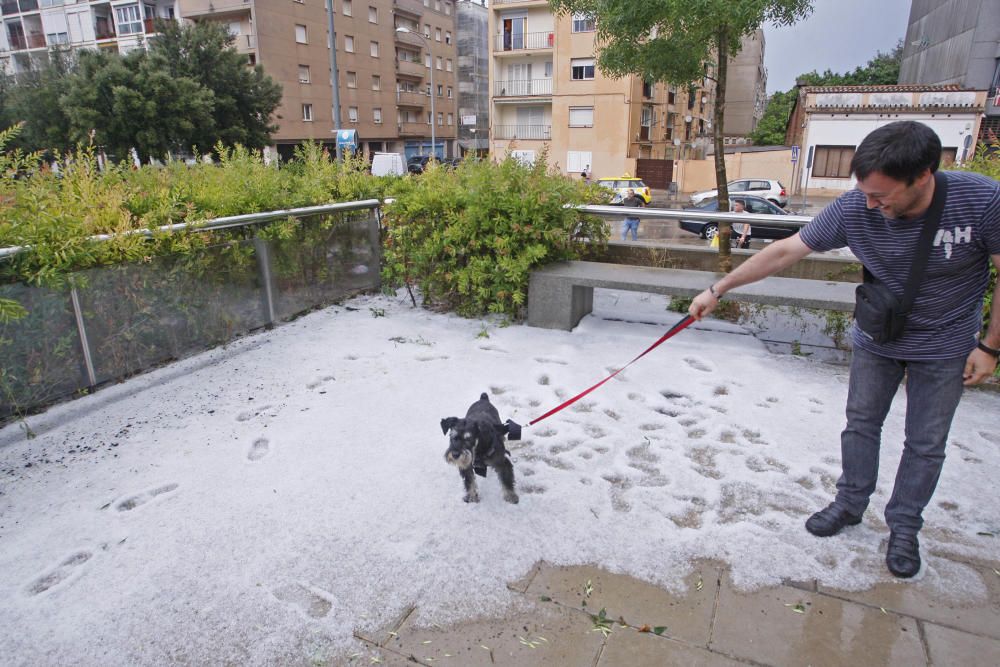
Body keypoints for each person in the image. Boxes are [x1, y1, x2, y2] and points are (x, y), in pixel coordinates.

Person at [688, 121, 1000, 579]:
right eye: (866, 194)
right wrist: (720, 288)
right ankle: (850, 503)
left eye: (882, 196)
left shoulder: (981, 200)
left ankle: (904, 527)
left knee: (926, 442)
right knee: (860, 425)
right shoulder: (858, 206)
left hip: (946, 343)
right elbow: (785, 251)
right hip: (878, 337)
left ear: (924, 175)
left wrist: (989, 347)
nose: (872, 205)